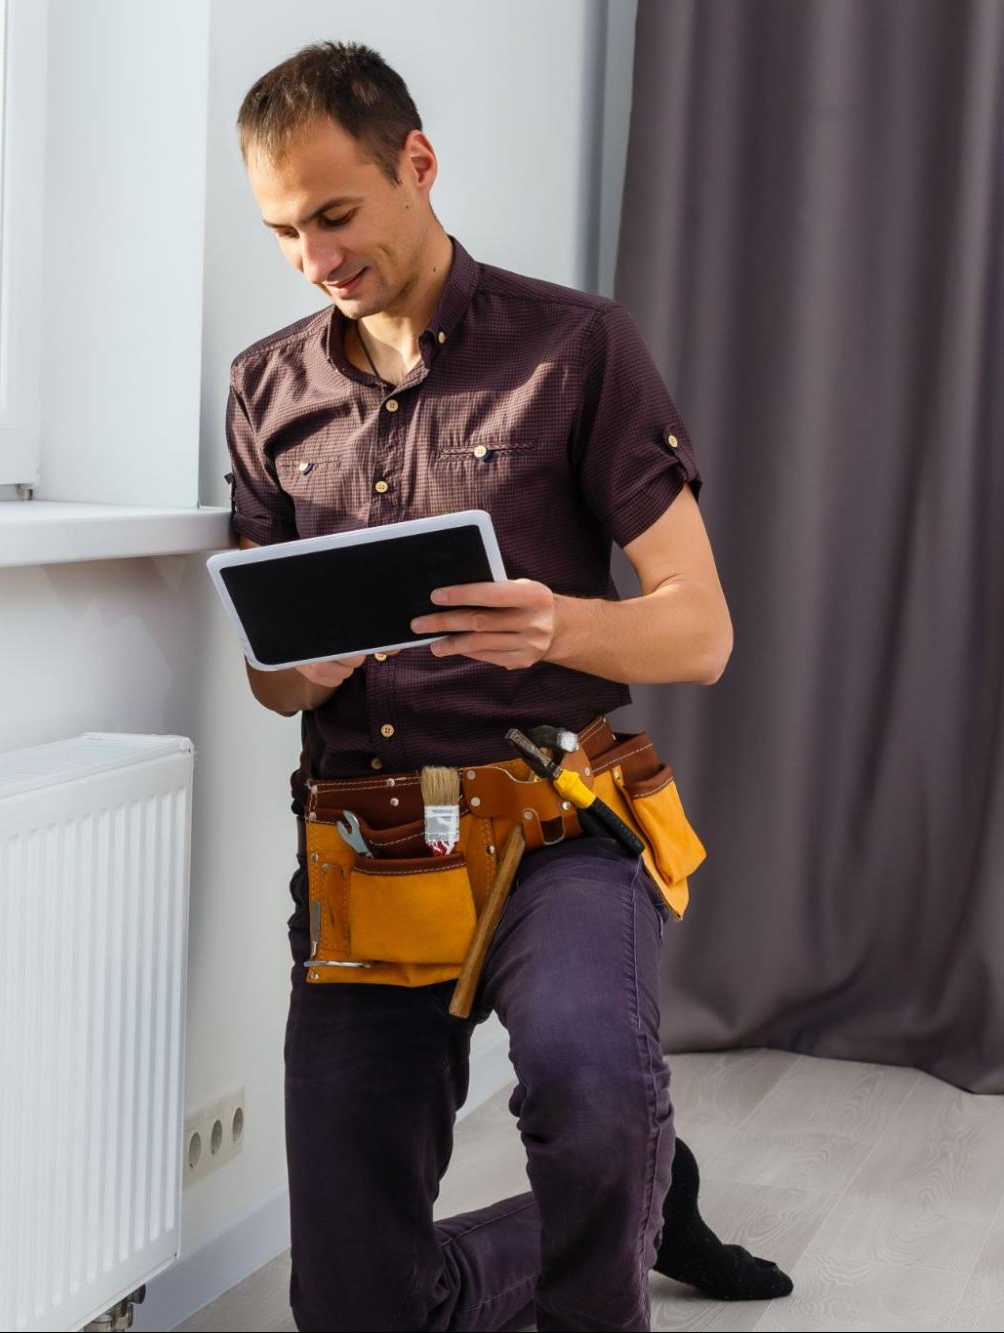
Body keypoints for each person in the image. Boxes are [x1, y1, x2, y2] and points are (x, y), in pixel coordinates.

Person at [222, 42, 792, 1331]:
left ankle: (622, 1181)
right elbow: (272, 686)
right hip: (368, 845)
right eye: (283, 231)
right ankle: (642, 1197)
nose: (315, 258)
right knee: (359, 1310)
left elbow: (701, 632)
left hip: (556, 827)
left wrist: (558, 628)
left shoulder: (578, 348)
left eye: (335, 214)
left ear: (417, 165)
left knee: (596, 1098)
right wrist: (297, 669)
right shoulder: (265, 389)